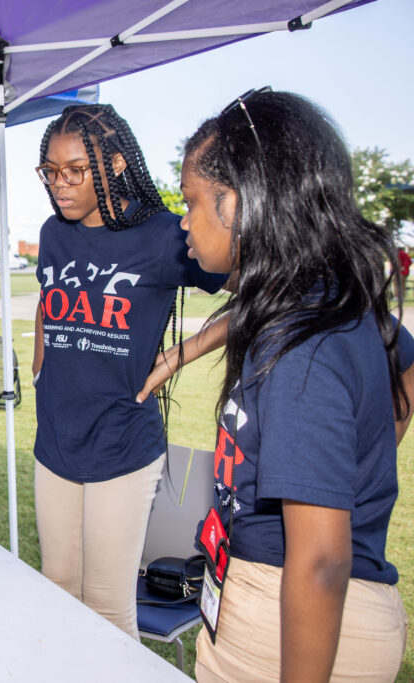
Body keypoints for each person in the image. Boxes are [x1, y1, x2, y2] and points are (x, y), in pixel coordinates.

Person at [176, 89, 409, 682]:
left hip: (293, 615)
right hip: (271, 599)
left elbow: (323, 561)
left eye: (192, 202)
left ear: (239, 202)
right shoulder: (322, 305)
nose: (185, 219)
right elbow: (405, 355)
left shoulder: (299, 347)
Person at [31, 103, 225, 639]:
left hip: (122, 443)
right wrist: (42, 359)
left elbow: (265, 289)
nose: (59, 184)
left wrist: (178, 356)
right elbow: (52, 297)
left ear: (115, 165)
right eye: (50, 171)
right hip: (56, 441)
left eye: (75, 171)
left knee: (107, 606)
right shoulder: (54, 232)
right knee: (57, 588)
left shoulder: (165, 234)